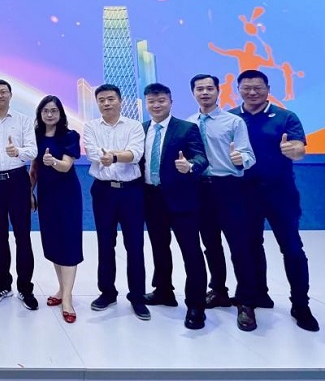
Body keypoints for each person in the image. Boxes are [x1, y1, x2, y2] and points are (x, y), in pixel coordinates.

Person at [231, 70, 319, 331]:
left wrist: (295, 150)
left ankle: (300, 305)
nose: (252, 92)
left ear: (268, 89)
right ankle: (253, 298)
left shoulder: (285, 117)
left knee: (292, 248)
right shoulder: (231, 118)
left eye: (258, 87)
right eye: (246, 88)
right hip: (243, 194)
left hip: (280, 194)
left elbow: (299, 147)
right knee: (248, 248)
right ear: (238, 89)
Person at [187, 73, 259, 332]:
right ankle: (218, 290)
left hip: (228, 187)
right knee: (210, 245)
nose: (205, 92)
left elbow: (248, 154)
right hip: (200, 189)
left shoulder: (233, 122)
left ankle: (246, 302)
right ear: (193, 93)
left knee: (239, 246)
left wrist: (241, 160)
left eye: (209, 88)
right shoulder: (188, 123)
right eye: (199, 89)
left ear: (218, 91)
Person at [140, 83, 209, 330]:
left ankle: (196, 305)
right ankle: (163, 291)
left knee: (191, 252)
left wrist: (190, 166)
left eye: (161, 100)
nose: (156, 105)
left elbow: (201, 157)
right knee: (159, 247)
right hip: (152, 198)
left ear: (170, 102)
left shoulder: (186, 128)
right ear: (146, 104)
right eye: (151, 101)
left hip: (182, 200)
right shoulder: (142, 129)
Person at [82, 84, 149, 320]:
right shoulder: (91, 126)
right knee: (105, 243)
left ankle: (138, 297)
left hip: (131, 192)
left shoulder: (134, 126)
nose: (106, 103)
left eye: (111, 99)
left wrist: (113, 156)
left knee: (135, 245)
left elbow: (136, 154)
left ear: (120, 101)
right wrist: (116, 155)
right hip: (103, 191)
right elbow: (92, 153)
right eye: (102, 100)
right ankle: (107, 292)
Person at [0, 79, 38, 310]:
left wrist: (17, 151)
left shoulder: (23, 121)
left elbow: (33, 150)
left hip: (18, 181)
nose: (0, 95)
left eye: (3, 92)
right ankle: (2, 284)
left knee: (23, 236)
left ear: (10, 95)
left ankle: (25, 288)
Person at [30, 95, 81, 324]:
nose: (50, 114)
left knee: (68, 243)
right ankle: (61, 289)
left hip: (67, 195)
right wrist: (29, 191)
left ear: (60, 113)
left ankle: (67, 299)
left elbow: (66, 166)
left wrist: (54, 162)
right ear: (40, 114)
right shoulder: (36, 136)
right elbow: (33, 169)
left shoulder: (69, 136)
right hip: (46, 195)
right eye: (45, 111)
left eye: (54, 111)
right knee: (54, 243)